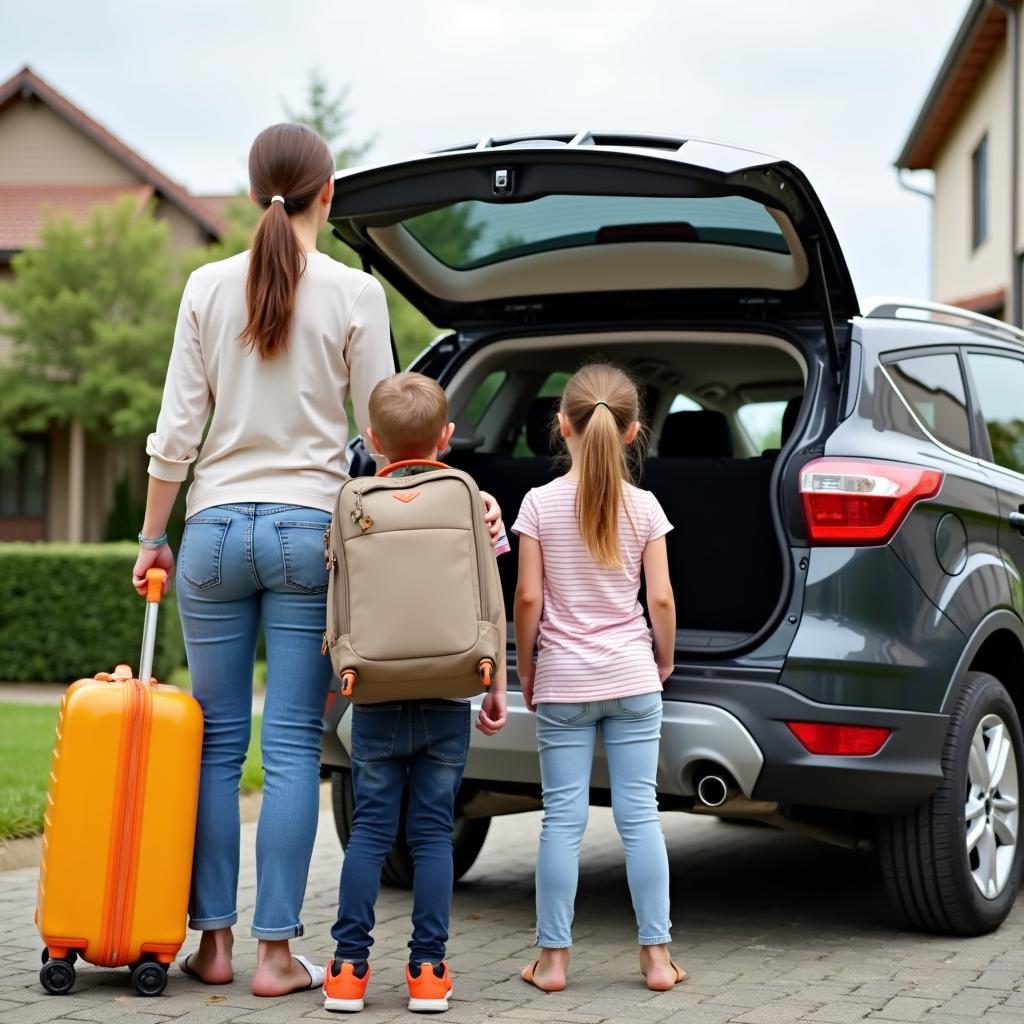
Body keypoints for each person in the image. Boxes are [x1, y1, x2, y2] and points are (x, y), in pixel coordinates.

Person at [132, 125, 502, 997]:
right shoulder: (353, 292)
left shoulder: (204, 286)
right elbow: (387, 435)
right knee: (295, 745)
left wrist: (154, 536)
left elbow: (175, 435)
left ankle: (212, 946)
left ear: (253, 187)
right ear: (326, 195)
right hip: (309, 533)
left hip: (215, 531)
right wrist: (458, 500)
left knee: (217, 746)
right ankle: (272, 959)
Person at [321, 372, 509, 1015]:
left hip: (371, 691)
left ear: (372, 440)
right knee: (432, 834)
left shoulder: (353, 499)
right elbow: (491, 595)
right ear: (447, 438)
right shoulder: (469, 498)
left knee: (370, 831)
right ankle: (428, 971)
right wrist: (495, 684)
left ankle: (347, 971)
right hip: (450, 690)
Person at [512, 363, 685, 993]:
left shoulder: (537, 503)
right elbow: (661, 600)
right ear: (635, 430)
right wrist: (660, 660)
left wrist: (527, 670)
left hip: (562, 680)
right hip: (632, 675)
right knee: (640, 816)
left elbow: (527, 599)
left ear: (561, 426)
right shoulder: (645, 507)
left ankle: (553, 963)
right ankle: (658, 960)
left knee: (562, 819)